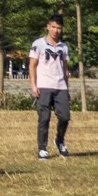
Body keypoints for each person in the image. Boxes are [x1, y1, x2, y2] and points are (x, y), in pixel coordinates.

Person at [29, 17, 72, 160]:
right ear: (48, 26)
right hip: (44, 86)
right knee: (44, 118)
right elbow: (32, 66)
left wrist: (67, 87)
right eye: (53, 27)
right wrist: (34, 85)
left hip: (60, 86)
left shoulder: (63, 47)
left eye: (59, 28)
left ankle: (59, 140)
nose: (56, 30)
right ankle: (42, 148)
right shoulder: (38, 44)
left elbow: (65, 68)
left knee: (65, 117)